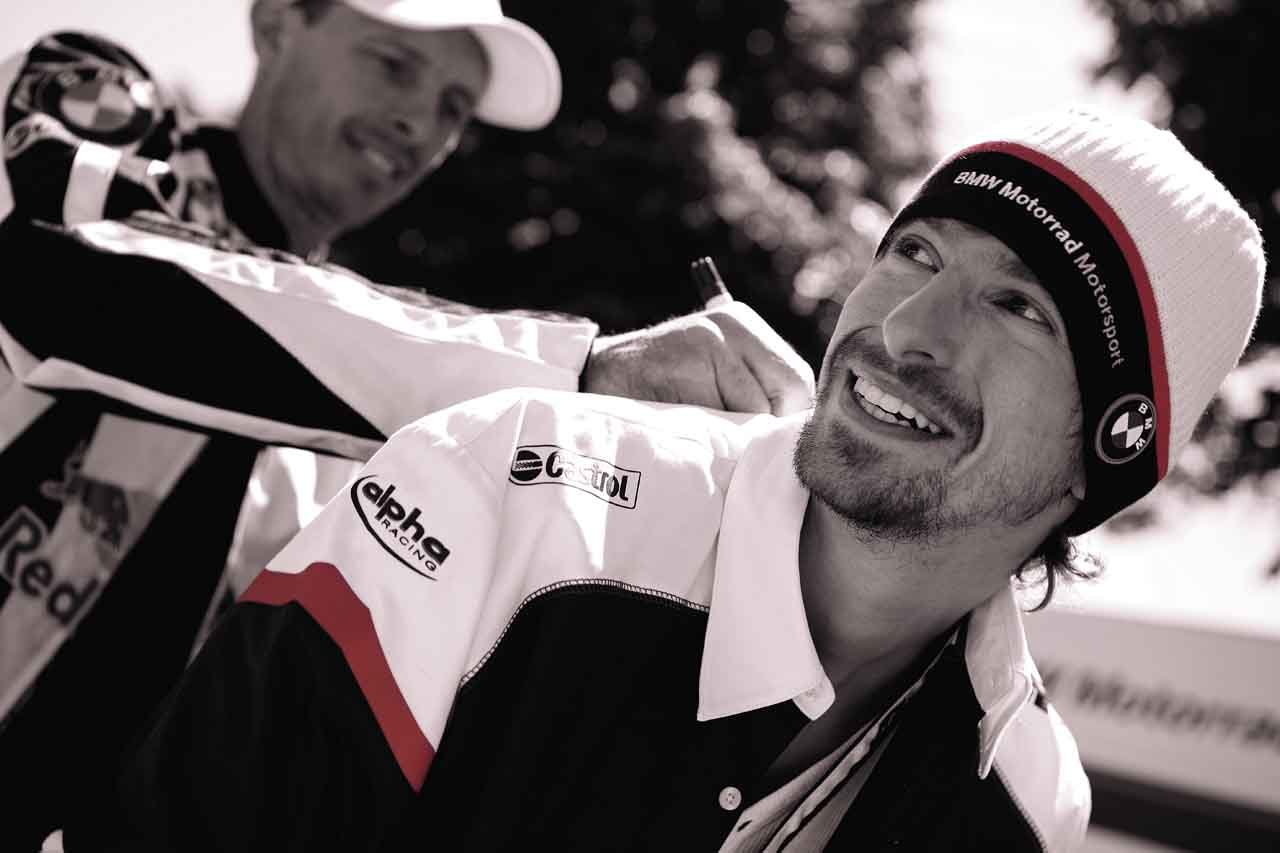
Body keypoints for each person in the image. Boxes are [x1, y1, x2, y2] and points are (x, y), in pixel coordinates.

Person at [52, 108, 1264, 851]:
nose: (905, 329)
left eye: (1016, 305)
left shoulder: (1029, 800)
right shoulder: (509, 497)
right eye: (912, 251)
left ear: (1112, 447)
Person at [0, 2, 812, 847]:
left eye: (454, 107)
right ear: (276, 22)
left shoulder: (356, 411)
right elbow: (60, 279)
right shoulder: (87, 88)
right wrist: (581, 370)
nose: (419, 123)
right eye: (393, 63)